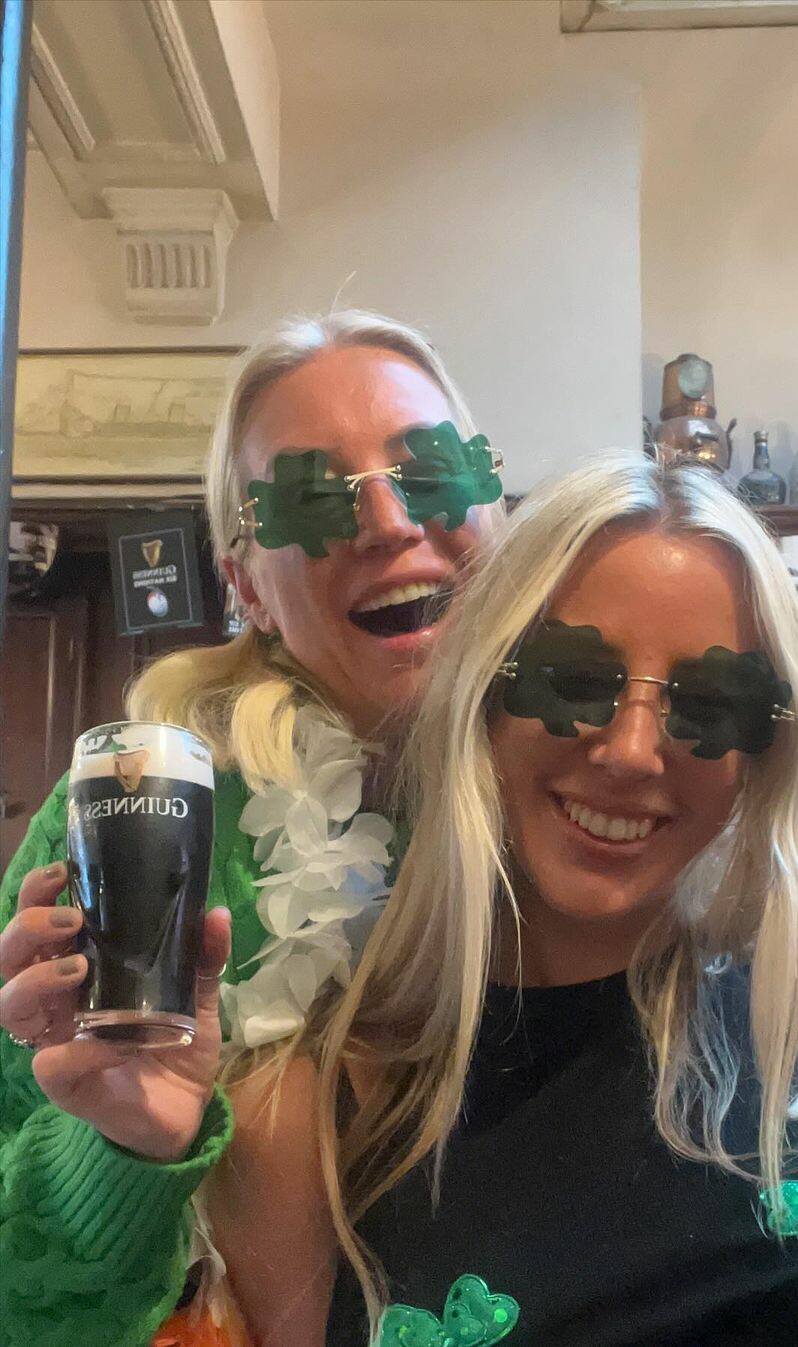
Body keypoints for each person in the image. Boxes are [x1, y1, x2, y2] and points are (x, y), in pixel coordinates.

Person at [198, 451, 798, 1346]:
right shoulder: (304, 1118)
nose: (629, 751)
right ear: (484, 696)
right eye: (574, 678)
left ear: (761, 751)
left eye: (711, 700)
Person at [0, 310, 504, 1347]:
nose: (387, 522)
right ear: (247, 590)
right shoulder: (134, 814)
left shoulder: (595, 781)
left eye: (431, 471)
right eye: (310, 496)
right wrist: (123, 1155)